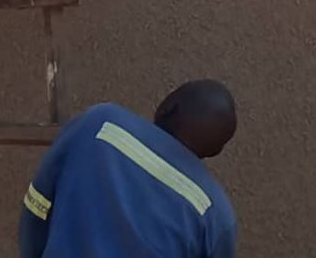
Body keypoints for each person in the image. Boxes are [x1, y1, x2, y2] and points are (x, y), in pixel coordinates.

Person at [19, 80, 238, 257]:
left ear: (166, 107)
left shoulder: (101, 124)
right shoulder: (215, 214)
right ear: (214, 152)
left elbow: (38, 204)